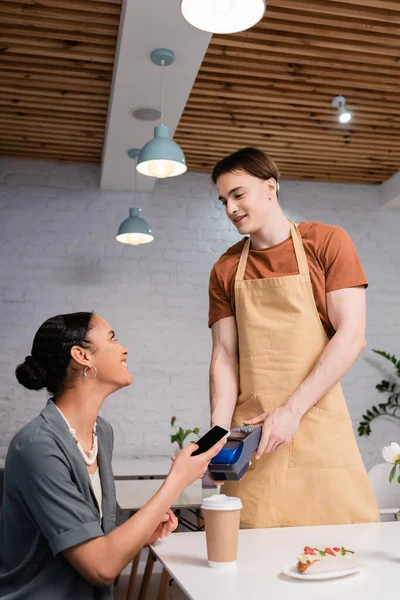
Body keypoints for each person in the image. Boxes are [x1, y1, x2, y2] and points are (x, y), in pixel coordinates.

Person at [208, 147, 379, 529]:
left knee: (343, 557)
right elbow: (223, 355)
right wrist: (218, 434)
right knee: (252, 564)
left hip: (315, 423)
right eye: (223, 200)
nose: (230, 208)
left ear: (271, 187)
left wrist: (292, 411)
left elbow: (351, 335)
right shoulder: (226, 268)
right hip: (253, 438)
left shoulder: (326, 243)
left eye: (238, 194)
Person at [0, 312, 225, 599]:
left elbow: (96, 534)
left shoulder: (101, 432)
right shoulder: (36, 447)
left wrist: (142, 532)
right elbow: (101, 566)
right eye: (112, 338)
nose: (124, 348)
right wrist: (178, 480)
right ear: (82, 356)